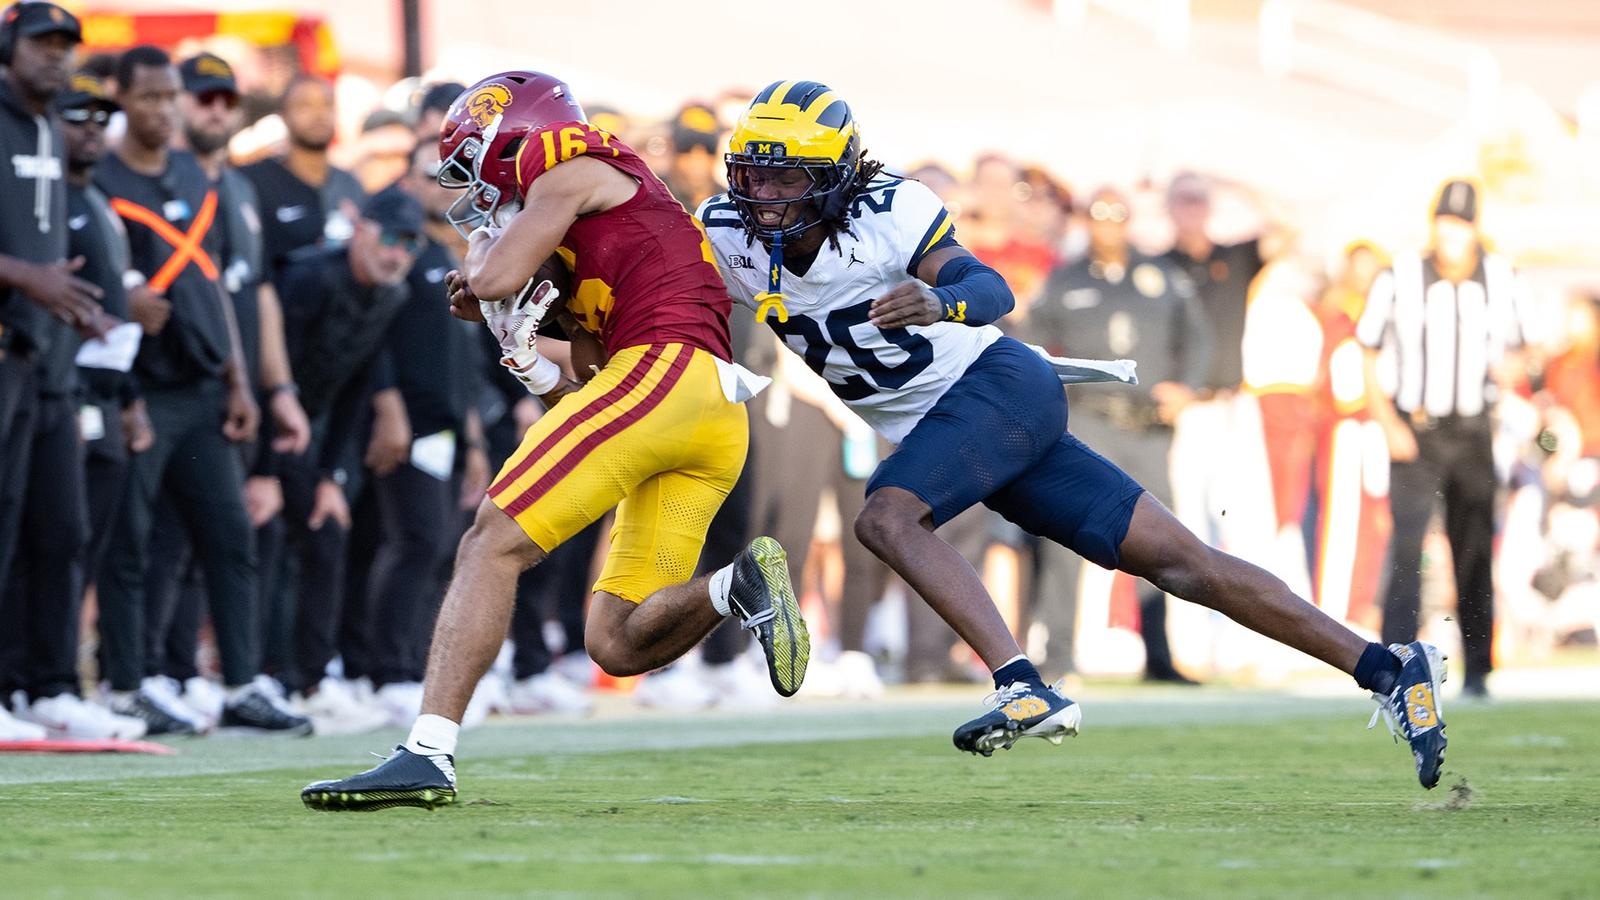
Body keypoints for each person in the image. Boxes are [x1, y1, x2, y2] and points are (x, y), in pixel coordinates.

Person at [699, 80, 1448, 789]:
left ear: (836, 176)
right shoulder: (726, 233)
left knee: (886, 517)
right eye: (752, 174)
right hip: (958, 427)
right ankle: (1389, 669)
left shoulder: (890, 212)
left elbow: (989, 289)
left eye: (785, 176)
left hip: (997, 389)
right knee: (1185, 564)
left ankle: (1021, 686)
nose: (763, 194)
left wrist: (937, 301)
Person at [302, 71, 806, 811]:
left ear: (511, 138)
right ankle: (738, 586)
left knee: (489, 541)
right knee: (616, 642)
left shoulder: (567, 162)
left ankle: (426, 752)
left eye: (476, 166)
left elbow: (496, 275)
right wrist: (527, 354)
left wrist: (486, 275)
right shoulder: (596, 230)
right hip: (704, 411)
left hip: (666, 376)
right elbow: (590, 385)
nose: (478, 194)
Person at [94, 45, 308, 735]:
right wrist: (122, 311)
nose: (162, 110)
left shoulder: (195, 174)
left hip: (205, 388)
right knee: (130, 543)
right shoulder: (101, 175)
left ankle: (240, 683)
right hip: (138, 387)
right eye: (150, 97)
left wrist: (240, 380)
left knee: (230, 536)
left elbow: (214, 284)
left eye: (168, 97)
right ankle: (126, 684)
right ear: (122, 99)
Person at [0, 8, 139, 741]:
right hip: (9, 341)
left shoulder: (49, 128)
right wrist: (28, 278)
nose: (55, 58)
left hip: (44, 356)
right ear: (8, 46)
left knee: (59, 527)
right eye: (41, 44)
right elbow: (30, 264)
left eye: (66, 47)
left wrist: (73, 306)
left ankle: (48, 684)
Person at [1024, 186, 1212, 683]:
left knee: (1160, 538)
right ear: (1087, 221)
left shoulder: (1160, 275)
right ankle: (1057, 654)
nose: (1108, 224)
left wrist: (1187, 387)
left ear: (1129, 220)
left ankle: (1159, 655)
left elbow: (1198, 339)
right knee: (1066, 534)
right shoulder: (1063, 279)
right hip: (1089, 418)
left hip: (1148, 425)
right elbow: (1028, 344)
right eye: (1099, 215)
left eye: (1117, 215)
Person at [1358, 179, 1533, 699]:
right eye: (1445, 222)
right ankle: (1393, 664)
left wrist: (1516, 368)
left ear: (1476, 228)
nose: (1452, 234)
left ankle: (1478, 668)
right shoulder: (1399, 276)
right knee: (1407, 548)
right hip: (1416, 429)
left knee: (1474, 548)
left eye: (1461, 223)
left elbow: (1526, 348)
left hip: (1474, 429)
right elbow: (1367, 349)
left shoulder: (1503, 277)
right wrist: (1386, 421)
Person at [239, 74, 366, 295]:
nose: (319, 115)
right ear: (283, 115)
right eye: (304, 105)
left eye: (327, 104)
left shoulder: (351, 184)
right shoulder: (255, 181)